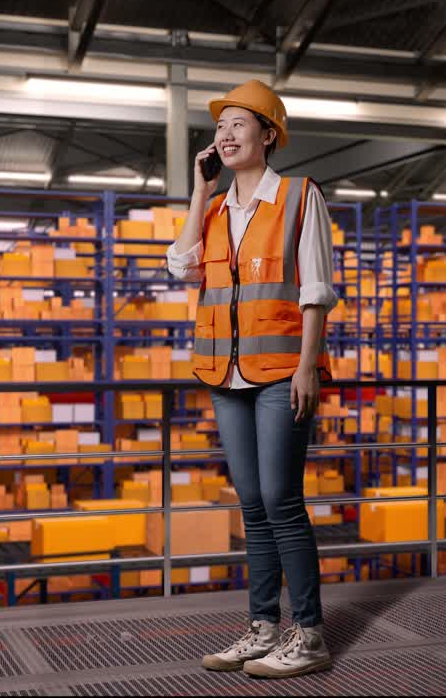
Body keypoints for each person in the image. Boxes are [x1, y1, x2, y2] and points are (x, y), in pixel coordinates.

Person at [166, 79, 337, 679]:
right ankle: (263, 627)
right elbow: (181, 265)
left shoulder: (297, 196)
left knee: (281, 501)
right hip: (225, 373)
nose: (226, 134)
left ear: (269, 136)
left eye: (239, 125)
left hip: (280, 373)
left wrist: (307, 368)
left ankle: (309, 633)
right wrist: (197, 191)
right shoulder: (214, 210)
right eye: (220, 127)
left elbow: (316, 290)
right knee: (251, 504)